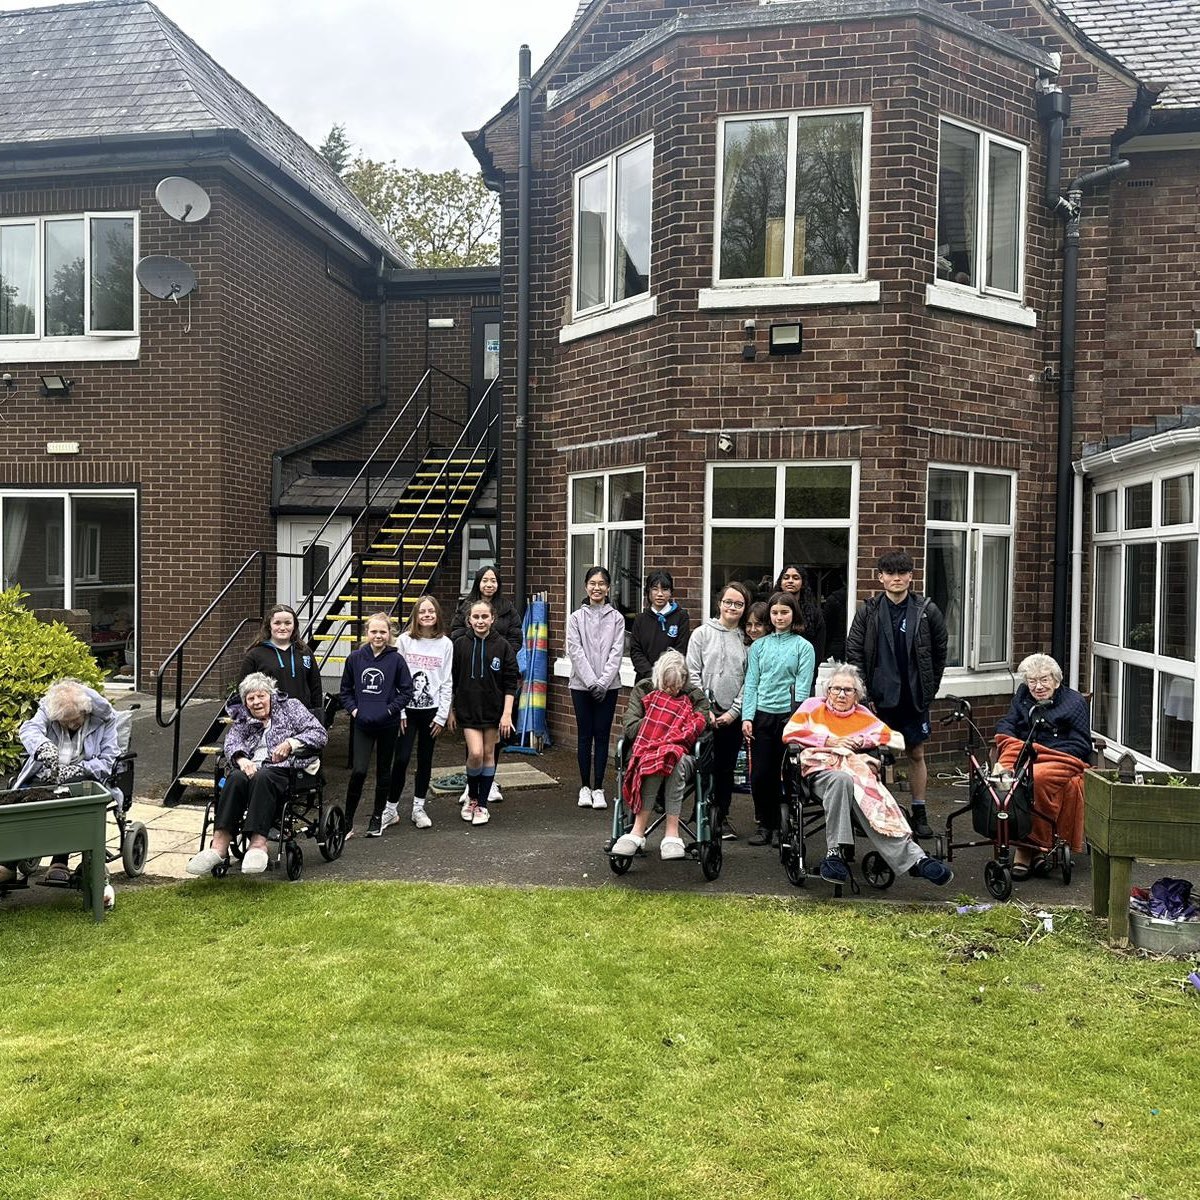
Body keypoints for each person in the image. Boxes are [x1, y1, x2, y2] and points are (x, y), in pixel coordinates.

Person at [782, 664, 954, 886]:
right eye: (836, 689)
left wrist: (864, 740)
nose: (842, 694)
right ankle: (835, 852)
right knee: (842, 780)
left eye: (848, 690)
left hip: (857, 776)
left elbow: (896, 740)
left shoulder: (864, 715)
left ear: (857, 696)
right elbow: (789, 733)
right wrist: (829, 741)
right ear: (827, 692)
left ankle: (917, 859)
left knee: (871, 800)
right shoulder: (812, 707)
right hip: (822, 773)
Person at [846, 550, 948, 839]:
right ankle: (877, 812)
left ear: (911, 577)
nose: (896, 578)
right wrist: (864, 696)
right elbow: (854, 653)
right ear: (880, 578)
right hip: (878, 699)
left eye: (902, 573)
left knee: (916, 752)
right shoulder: (868, 611)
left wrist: (929, 690)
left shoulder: (927, 610)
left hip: (914, 697)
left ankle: (920, 812)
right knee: (874, 757)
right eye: (890, 573)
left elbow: (940, 653)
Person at [186, 672, 328, 876]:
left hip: (285, 769)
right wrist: (242, 760)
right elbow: (231, 741)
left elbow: (319, 734)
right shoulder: (244, 717)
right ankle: (219, 847)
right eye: (250, 698)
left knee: (263, 776)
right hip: (251, 769)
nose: (256, 702)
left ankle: (258, 845)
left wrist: (291, 743)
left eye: (261, 696)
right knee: (234, 778)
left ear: (271, 695)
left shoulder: (291, 708)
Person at [6, 679, 120, 905]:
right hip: (45, 777)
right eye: (64, 722)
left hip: (87, 780)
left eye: (75, 720)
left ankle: (60, 860)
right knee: (16, 803)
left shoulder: (105, 720)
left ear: (85, 711)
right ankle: (8, 862)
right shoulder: (48, 712)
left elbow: (109, 761)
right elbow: (29, 729)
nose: (70, 725)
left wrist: (79, 769)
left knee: (65, 805)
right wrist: (42, 746)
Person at [995, 653, 1090, 878]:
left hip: (1062, 757)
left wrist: (1043, 752)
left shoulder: (1074, 702)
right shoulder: (1022, 697)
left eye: (1044, 680)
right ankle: (1040, 852)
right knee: (1009, 780)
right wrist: (1014, 743)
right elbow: (1007, 724)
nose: (1038, 687)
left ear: (1056, 681)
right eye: (1032, 681)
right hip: (1026, 754)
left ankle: (1026, 849)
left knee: (1035, 778)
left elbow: (1081, 744)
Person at [611, 651, 710, 861]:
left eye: (676, 685)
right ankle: (637, 832)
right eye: (666, 685)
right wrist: (661, 724)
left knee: (671, 758)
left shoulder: (694, 696)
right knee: (655, 759)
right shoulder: (644, 690)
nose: (671, 690)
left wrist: (669, 734)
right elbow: (630, 727)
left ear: (684, 680)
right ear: (658, 677)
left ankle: (671, 834)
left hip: (683, 755)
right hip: (646, 753)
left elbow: (700, 725)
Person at [741, 592, 815, 846]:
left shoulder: (804, 647)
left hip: (788, 717)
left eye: (785, 612)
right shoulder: (759, 646)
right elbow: (751, 683)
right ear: (770, 616)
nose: (779, 617)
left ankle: (787, 823)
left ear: (793, 614)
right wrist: (747, 717)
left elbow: (804, 687)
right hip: (762, 716)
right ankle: (765, 823)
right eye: (775, 613)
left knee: (789, 773)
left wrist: (797, 720)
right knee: (761, 774)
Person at [338, 612, 414, 838]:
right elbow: (345, 691)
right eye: (374, 631)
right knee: (359, 771)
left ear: (390, 634)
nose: (378, 635)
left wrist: (390, 710)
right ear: (366, 633)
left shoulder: (396, 659)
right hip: (362, 724)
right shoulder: (355, 658)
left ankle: (377, 817)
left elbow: (407, 691)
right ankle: (348, 821)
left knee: (383, 772)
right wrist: (355, 711)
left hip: (387, 724)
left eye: (383, 631)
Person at [451, 565, 522, 803]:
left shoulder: (507, 609)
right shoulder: (465, 607)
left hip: (495, 680)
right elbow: (455, 633)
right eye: (484, 580)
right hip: (470, 690)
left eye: (493, 580)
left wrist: (498, 655)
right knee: (475, 749)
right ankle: (471, 786)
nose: (489, 585)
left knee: (491, 747)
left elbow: (515, 637)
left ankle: (487, 786)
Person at [686, 581, 751, 839]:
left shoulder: (746, 640)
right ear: (719, 603)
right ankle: (699, 812)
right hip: (702, 713)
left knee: (725, 769)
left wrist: (732, 713)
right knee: (701, 765)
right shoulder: (701, 634)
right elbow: (692, 674)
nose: (732, 607)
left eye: (738, 604)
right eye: (728, 602)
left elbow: (750, 681)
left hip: (731, 716)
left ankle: (720, 817)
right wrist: (706, 709)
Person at [388, 595, 454, 831]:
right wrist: (400, 711)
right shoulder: (405, 641)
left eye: (431, 611)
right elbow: (395, 676)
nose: (427, 615)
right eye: (422, 612)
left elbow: (446, 681)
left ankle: (418, 807)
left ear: (437, 615)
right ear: (415, 616)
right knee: (402, 758)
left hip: (431, 712)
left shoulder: (446, 644)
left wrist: (442, 715)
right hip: (407, 711)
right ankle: (390, 808)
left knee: (425, 760)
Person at [566, 565, 626, 810]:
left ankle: (599, 787)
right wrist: (591, 682)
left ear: (608, 588)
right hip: (581, 686)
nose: (597, 587)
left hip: (609, 687)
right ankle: (584, 787)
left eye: (602, 583)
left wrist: (603, 683)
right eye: (592, 583)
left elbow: (617, 652)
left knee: (602, 736)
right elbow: (575, 651)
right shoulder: (575, 618)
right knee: (584, 735)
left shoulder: (617, 619)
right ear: (585, 587)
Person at [238, 604, 325, 720]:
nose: (283, 627)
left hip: (302, 717)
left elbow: (315, 686)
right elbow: (243, 691)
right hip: (270, 720)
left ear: (294, 626)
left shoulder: (304, 651)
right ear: (269, 626)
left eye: (288, 623)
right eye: (277, 623)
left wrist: (318, 714)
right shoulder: (255, 654)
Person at [629, 569, 691, 682]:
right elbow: (635, 651)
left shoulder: (681, 617)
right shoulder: (640, 619)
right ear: (648, 591)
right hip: (645, 681)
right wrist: (651, 674)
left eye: (665, 589)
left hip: (671, 681)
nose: (660, 594)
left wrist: (664, 675)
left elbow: (680, 649)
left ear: (671, 592)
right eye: (655, 589)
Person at [775, 564, 826, 662]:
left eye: (795, 578)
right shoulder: (770, 611)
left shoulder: (814, 614)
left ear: (803, 584)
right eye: (786, 577)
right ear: (780, 583)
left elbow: (818, 650)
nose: (790, 581)